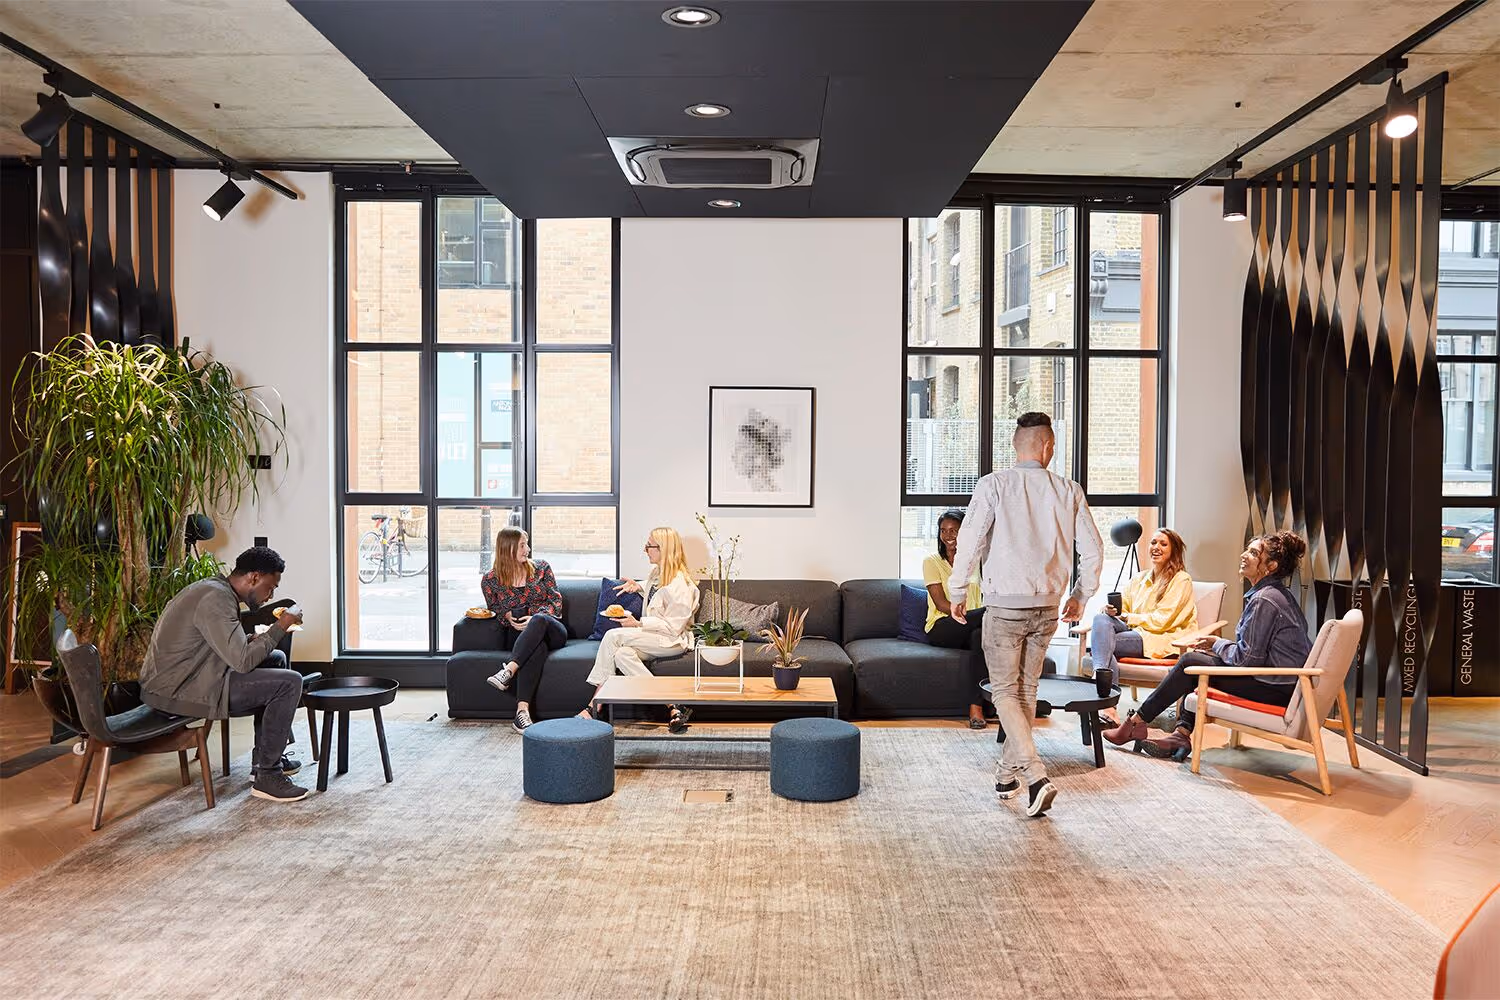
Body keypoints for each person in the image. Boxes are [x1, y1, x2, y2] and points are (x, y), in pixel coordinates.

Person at [949, 412, 1103, 817]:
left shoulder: (994, 484)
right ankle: (1005, 775)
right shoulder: (1068, 490)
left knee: (1004, 692)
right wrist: (1081, 595)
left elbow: (970, 539)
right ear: (1048, 446)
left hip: (1005, 606)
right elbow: (1093, 549)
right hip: (1048, 605)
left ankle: (1035, 776)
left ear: (1016, 446)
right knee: (1026, 690)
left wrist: (958, 589)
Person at [1102, 531, 1312, 759]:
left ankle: (1137, 723)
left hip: (1275, 687)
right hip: (1281, 681)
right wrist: (1218, 645)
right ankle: (1179, 734)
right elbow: (1254, 653)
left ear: (1271, 566)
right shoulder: (1274, 594)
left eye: (1253, 553)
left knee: (1191, 662)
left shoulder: (1265, 599)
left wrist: (1219, 644)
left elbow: (1247, 660)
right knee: (1196, 663)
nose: (1243, 555)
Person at [139, 546, 309, 803]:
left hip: (191, 676)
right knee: (289, 683)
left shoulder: (216, 590)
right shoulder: (216, 599)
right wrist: (281, 625)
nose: (270, 596)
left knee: (276, 659)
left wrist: (251, 639)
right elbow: (243, 661)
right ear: (254, 577)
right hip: (179, 690)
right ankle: (268, 777)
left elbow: (219, 644)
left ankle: (262, 761)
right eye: (270, 587)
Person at [578, 527, 700, 733]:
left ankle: (594, 705)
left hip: (672, 640)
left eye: (649, 546)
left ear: (663, 549)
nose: (645, 550)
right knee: (621, 655)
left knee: (612, 636)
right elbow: (656, 590)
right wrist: (638, 586)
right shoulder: (658, 573)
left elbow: (673, 628)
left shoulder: (680, 586)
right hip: (655, 638)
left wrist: (638, 623)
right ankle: (674, 705)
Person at [1090, 528, 1197, 725]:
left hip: (1162, 638)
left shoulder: (1181, 579)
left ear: (1173, 550)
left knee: (1103, 646)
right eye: (1153, 542)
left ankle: (1103, 694)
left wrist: (1128, 617)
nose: (1156, 547)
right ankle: (1106, 700)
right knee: (1100, 620)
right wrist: (1110, 611)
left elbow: (1162, 620)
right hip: (1136, 633)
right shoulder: (1139, 579)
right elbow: (1123, 610)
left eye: (1163, 544)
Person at [481, 527, 566, 733]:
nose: (527, 549)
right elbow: (494, 609)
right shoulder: (490, 580)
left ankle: (508, 670)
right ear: (507, 548)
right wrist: (507, 616)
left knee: (539, 619)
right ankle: (522, 712)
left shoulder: (542, 568)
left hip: (551, 629)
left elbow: (556, 602)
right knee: (536, 649)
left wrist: (533, 617)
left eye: (526, 544)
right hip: (521, 637)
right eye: (522, 545)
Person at [922, 509, 989, 730]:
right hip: (943, 627)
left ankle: (976, 708)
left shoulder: (977, 562)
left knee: (979, 637)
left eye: (954, 530)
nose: (948, 535)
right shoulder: (932, 562)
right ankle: (995, 615)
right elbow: (940, 603)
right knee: (989, 614)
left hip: (972, 627)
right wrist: (966, 614)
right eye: (943, 531)